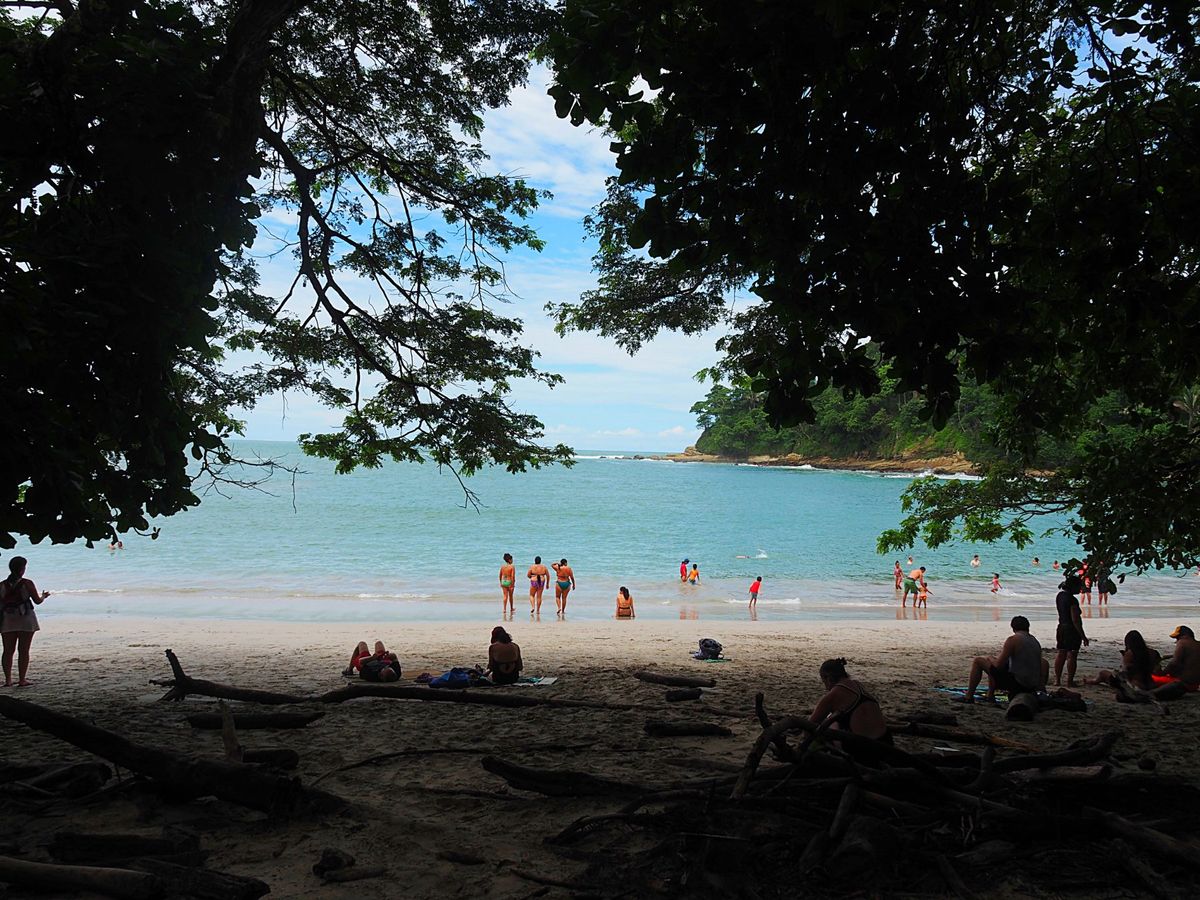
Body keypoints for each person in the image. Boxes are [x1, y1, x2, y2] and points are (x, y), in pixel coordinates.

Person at [959, 616, 1049, 704]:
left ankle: (969, 696)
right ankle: (990, 696)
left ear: (1013, 628)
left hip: (1018, 684)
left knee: (978, 661)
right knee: (992, 667)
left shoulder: (1013, 640)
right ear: (1028, 627)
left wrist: (990, 658)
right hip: (1032, 685)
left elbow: (998, 665)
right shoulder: (1034, 641)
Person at [809, 658, 891, 745]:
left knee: (829, 723)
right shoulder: (858, 685)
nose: (826, 688)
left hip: (865, 748)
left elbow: (811, 724)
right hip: (886, 741)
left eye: (823, 681)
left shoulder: (833, 695)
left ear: (828, 677)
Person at [1, 557, 49, 687]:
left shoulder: (2, 585)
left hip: (7, 620)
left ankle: (8, 680)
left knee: (7, 651)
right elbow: (37, 601)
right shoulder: (27, 583)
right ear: (22, 569)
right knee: (24, 650)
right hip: (26, 619)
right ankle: (22, 680)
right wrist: (44, 596)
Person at [1086, 630, 1160, 691]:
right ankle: (1092, 680)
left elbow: (1125, 672)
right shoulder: (1153, 652)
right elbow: (1157, 670)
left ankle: (1091, 681)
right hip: (1150, 683)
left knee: (1103, 673)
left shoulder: (1130, 653)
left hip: (1134, 684)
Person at [1054, 574, 1089, 687]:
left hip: (1061, 627)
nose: (1081, 588)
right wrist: (1083, 636)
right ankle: (1069, 681)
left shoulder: (1060, 596)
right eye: (1079, 586)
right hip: (1071, 629)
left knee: (1061, 653)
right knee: (1072, 655)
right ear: (1073, 587)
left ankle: (1057, 680)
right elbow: (1075, 620)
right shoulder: (1072, 600)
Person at [1151, 625, 1200, 691]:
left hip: (1183, 683)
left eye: (1177, 637)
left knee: (1150, 678)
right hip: (1195, 684)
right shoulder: (1198, 644)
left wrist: (1162, 674)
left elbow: (1174, 663)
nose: (1176, 640)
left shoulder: (1182, 642)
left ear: (1183, 635)